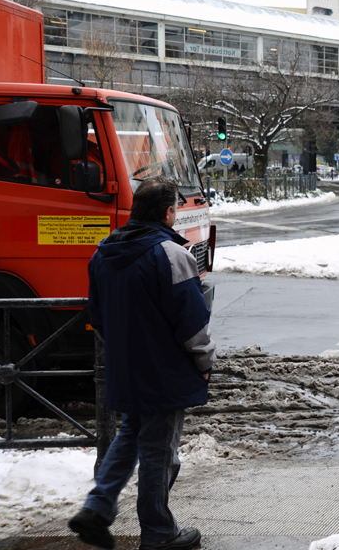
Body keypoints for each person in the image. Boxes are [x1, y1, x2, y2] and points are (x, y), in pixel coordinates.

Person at [69, 177, 214, 550]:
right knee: (159, 450)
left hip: (125, 366)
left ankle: (97, 508)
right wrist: (203, 362)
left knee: (130, 436)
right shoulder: (171, 254)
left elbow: (96, 315)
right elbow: (192, 322)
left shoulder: (103, 252)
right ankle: (159, 532)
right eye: (176, 210)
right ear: (167, 212)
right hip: (164, 370)